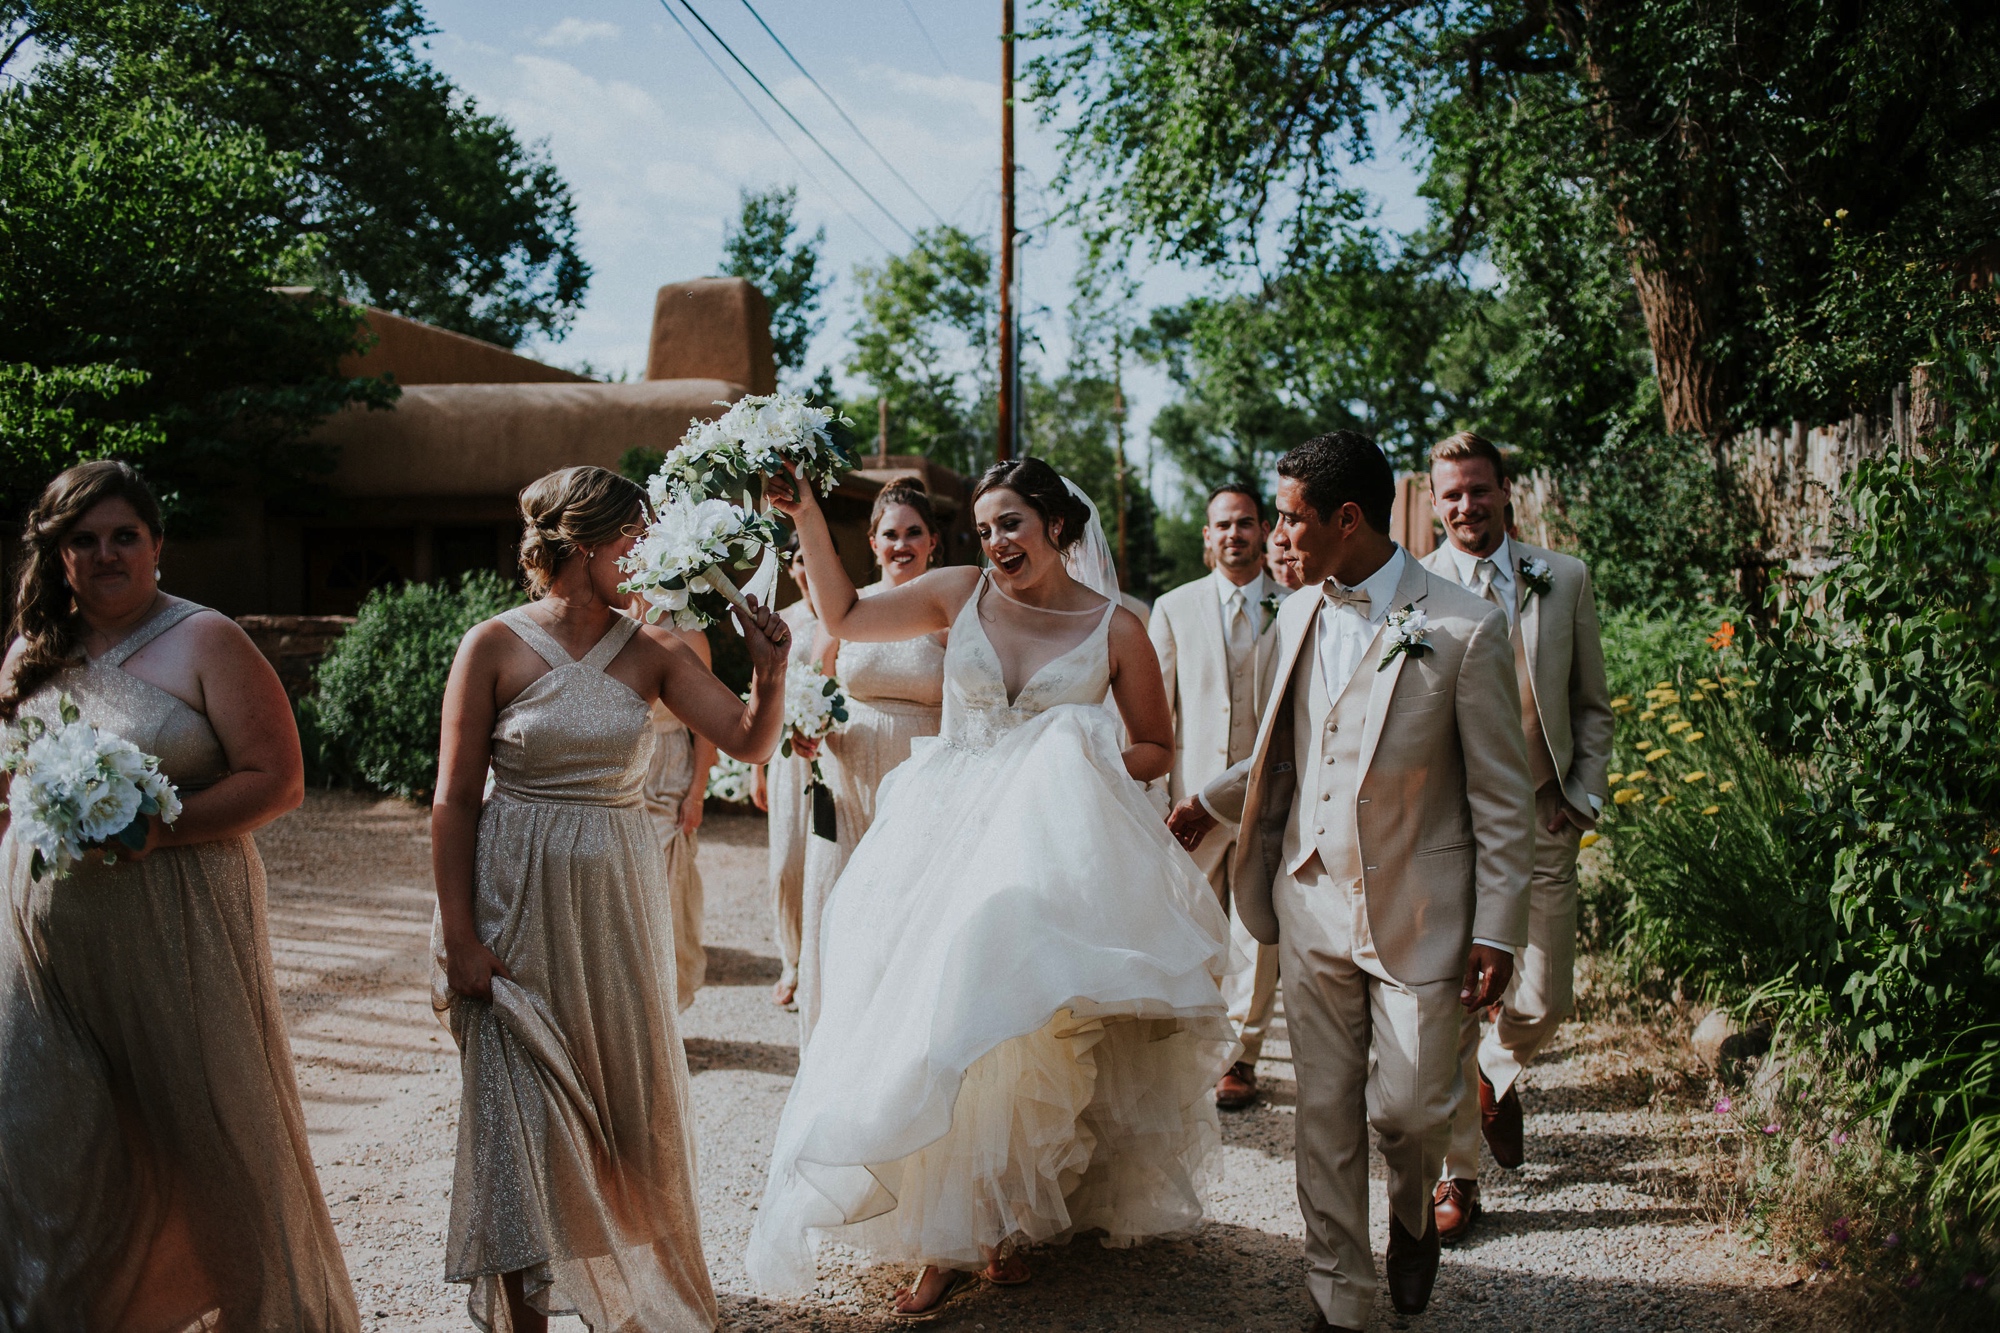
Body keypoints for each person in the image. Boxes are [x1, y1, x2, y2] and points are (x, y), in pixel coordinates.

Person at [750, 457, 1235, 1320]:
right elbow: (847, 615)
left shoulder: (1118, 629)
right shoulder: (960, 594)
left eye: (1011, 523)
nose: (996, 542)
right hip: (941, 831)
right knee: (937, 1016)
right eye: (984, 528)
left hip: (1045, 845)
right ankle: (942, 1238)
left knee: (1020, 1026)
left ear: (1057, 525)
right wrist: (809, 516)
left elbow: (1156, 748)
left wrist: (1077, 760)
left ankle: (1004, 1219)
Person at [1167, 431, 1535, 1332]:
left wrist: (1498, 929)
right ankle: (1341, 1292)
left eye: (1291, 516)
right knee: (1324, 1113)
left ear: (1347, 519)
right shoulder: (1293, 616)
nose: (1276, 534)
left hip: (1421, 906)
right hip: (1307, 897)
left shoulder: (1462, 626)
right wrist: (1209, 806)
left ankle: (1412, 1215)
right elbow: (1279, 754)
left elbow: (1499, 795)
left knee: (1408, 1113)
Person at [0, 461, 359, 1330]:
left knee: (209, 1141)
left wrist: (162, 827)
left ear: (158, 543)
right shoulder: (30, 652)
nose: (105, 553)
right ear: (58, 555)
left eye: (124, 535)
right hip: (42, 945)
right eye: (82, 540)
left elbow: (278, 780)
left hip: (176, 928)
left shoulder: (206, 640)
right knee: (46, 1140)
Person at [431, 465, 790, 1333]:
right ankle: (526, 1322)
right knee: (514, 1121)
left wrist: (770, 670)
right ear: (582, 542)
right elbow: (453, 797)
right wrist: (459, 936)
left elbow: (749, 740)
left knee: (627, 1108)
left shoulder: (655, 649)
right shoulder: (493, 644)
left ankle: (634, 1307)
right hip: (513, 905)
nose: (650, 552)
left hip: (618, 904)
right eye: (637, 536)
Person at [1420, 432, 1613, 1242]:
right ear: (1434, 503)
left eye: (1478, 489)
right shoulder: (1417, 587)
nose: (1466, 506)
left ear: (1505, 489)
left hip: (1542, 812)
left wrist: (1583, 795)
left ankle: (1493, 1080)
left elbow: (1593, 704)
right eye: (1451, 495)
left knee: (1544, 995)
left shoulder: (1561, 578)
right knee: (1460, 1003)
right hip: (1452, 823)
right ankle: (1454, 1177)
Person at [793, 479, 948, 1039]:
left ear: (933, 542)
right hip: (846, 784)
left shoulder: (949, 616)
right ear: (873, 542)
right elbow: (813, 691)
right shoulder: (845, 608)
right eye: (891, 534)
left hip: (919, 790)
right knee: (839, 912)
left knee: (906, 920)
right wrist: (804, 732)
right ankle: (832, 1044)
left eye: (914, 533)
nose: (901, 544)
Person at [1148, 483, 1285, 1111]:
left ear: (1264, 531)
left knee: (1256, 933)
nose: (1234, 534)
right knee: (1191, 929)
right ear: (1207, 537)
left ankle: (1240, 1057)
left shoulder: (1298, 605)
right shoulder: (1174, 608)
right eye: (1222, 525)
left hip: (1272, 800)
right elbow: (1155, 712)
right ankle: (1192, 1045)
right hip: (1192, 804)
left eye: (1246, 523)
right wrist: (1157, 797)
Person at [641, 622, 720, 1013]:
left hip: (667, 775)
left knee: (664, 897)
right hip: (611, 769)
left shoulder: (689, 635)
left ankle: (660, 1016)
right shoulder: (602, 621)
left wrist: (696, 793)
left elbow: (708, 723)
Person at [755, 541, 820, 1008]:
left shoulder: (849, 616)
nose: (806, 569)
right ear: (793, 568)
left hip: (837, 750)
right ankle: (791, 959)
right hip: (785, 758)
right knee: (787, 863)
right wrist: (757, 769)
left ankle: (821, 961)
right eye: (799, 561)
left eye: (813, 558)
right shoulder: (786, 620)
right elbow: (761, 690)